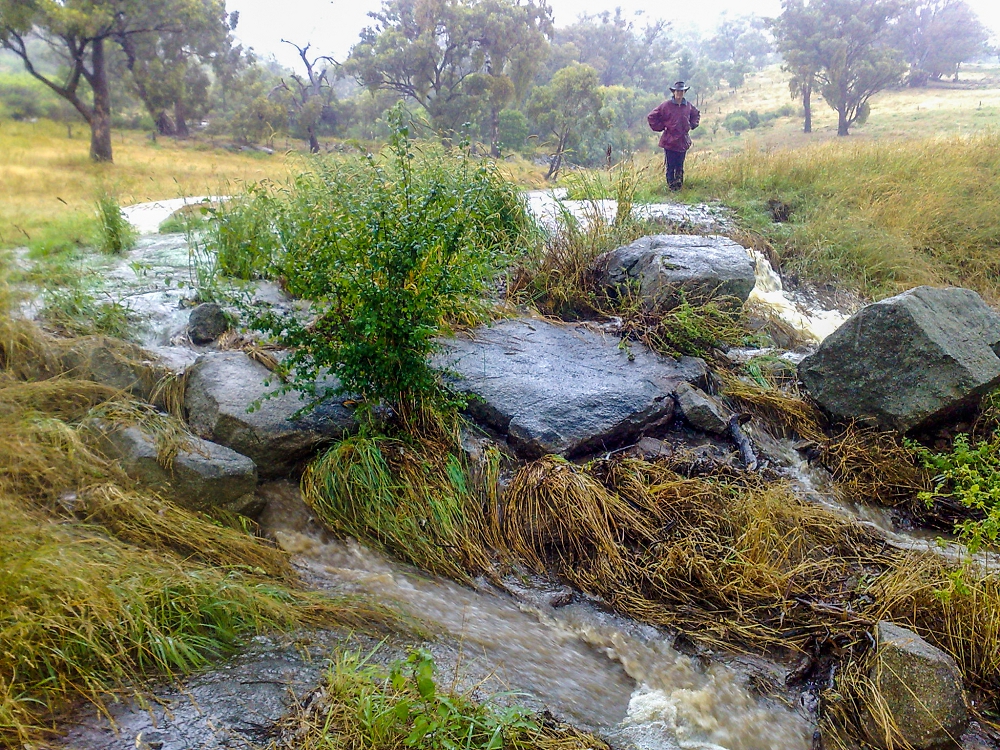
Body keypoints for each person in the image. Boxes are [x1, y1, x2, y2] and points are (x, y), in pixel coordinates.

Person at [647, 81, 701, 191]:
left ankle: (679, 187)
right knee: (670, 166)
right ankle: (671, 187)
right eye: (678, 91)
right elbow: (651, 116)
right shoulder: (666, 105)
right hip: (669, 140)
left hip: (682, 140)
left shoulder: (688, 106)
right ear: (674, 92)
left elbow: (696, 114)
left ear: (684, 92)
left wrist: (692, 125)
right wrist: (661, 126)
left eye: (682, 91)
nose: (679, 93)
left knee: (680, 166)